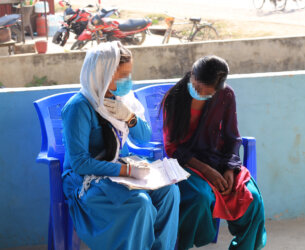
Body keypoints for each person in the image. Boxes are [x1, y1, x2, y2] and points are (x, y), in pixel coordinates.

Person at [61, 41, 180, 250]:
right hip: (88, 179)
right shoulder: (79, 107)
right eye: (122, 75)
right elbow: (80, 163)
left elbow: (144, 136)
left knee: (170, 192)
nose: (128, 80)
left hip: (120, 169)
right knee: (140, 204)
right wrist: (127, 170)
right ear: (103, 74)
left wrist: (129, 116)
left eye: (129, 74)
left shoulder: (122, 99)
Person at [162, 55, 267, 250]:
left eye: (209, 94)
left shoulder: (225, 95)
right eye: (200, 89)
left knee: (251, 198)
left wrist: (229, 169)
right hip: (187, 162)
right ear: (192, 75)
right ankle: (182, 245)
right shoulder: (174, 98)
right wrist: (207, 170)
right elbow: (172, 147)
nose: (203, 95)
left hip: (218, 160)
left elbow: (232, 136)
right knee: (200, 197)